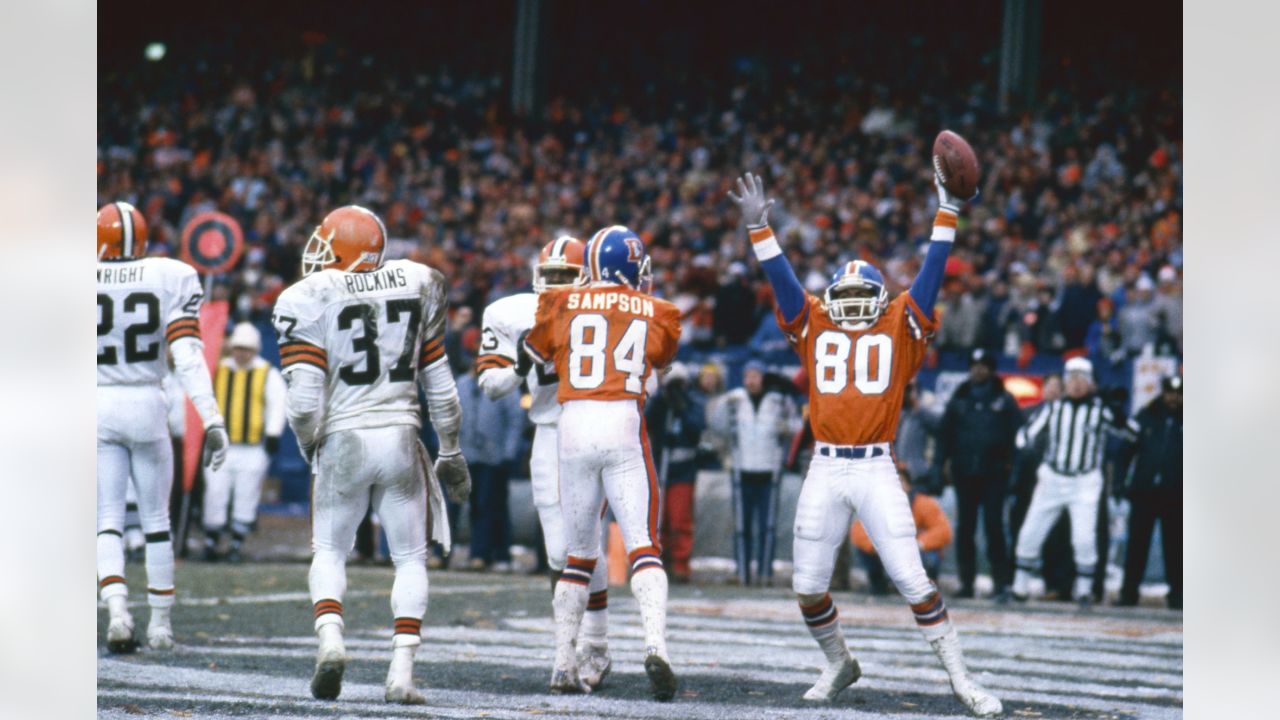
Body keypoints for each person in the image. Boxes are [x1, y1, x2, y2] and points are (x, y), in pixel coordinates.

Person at [731, 172, 1001, 716]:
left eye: (863, 296)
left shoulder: (902, 322)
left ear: (882, 298)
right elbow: (783, 283)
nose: (853, 306)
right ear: (832, 296)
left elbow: (929, 279)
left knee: (910, 577)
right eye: (845, 295)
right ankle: (839, 663)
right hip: (825, 466)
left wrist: (947, 213)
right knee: (806, 585)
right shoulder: (813, 320)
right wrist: (761, 230)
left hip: (876, 465)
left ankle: (961, 679)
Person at [272, 205, 471, 704]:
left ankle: (332, 640)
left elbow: (301, 404)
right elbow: (442, 390)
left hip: (346, 437)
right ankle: (401, 673)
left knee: (330, 551)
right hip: (403, 438)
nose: (316, 250)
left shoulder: (310, 296)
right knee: (409, 558)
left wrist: (309, 443)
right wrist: (450, 450)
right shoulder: (418, 282)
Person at [523, 225, 683, 700]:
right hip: (621, 422)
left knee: (577, 557)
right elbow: (659, 368)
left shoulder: (560, 302)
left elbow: (533, 359)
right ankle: (656, 646)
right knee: (643, 547)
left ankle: (561, 663)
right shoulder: (661, 311)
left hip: (571, 425)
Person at [477, 236, 614, 685]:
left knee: (588, 541)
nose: (555, 284)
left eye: (565, 276)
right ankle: (566, 649)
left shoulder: (608, 308)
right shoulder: (512, 312)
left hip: (594, 426)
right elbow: (490, 385)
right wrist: (521, 363)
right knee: (558, 549)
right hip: (548, 431)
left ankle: (595, 645)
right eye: (550, 275)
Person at [97, 201, 229, 653]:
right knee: (156, 521)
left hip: (96, 402)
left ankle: (117, 611)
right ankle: (159, 626)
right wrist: (210, 415)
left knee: (107, 520)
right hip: (148, 400)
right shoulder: (170, 274)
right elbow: (188, 355)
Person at [1010, 357, 1137, 607]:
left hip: (1085, 480)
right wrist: (1031, 453)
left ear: (1091, 383)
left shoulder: (1101, 410)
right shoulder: (1053, 408)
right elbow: (1025, 435)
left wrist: (1118, 412)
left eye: (1082, 379)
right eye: (1072, 379)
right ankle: (1019, 587)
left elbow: (1132, 434)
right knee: (1030, 533)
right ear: (1066, 382)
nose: (1077, 384)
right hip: (1053, 477)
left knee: (1084, 538)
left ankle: (1084, 590)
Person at [935, 348, 1022, 600]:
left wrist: (1014, 470)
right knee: (966, 529)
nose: (978, 369)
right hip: (964, 472)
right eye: (974, 365)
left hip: (995, 473)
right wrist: (938, 465)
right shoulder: (959, 399)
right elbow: (944, 436)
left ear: (992, 369)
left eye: (983, 365)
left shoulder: (1004, 400)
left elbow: (1018, 438)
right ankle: (966, 582)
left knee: (995, 527)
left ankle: (1000, 583)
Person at [710, 359, 799, 586]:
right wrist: (723, 406)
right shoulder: (735, 400)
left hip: (769, 470)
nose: (751, 380)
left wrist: (786, 428)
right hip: (743, 469)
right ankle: (742, 571)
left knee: (767, 526)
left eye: (755, 376)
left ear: (762, 377)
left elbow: (797, 424)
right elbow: (718, 425)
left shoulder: (778, 400)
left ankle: (765, 572)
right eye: (747, 376)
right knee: (742, 526)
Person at [202, 322, 286, 563]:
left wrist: (273, 433)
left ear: (256, 349)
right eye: (238, 347)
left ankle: (236, 543)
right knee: (215, 493)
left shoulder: (266, 372)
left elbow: (278, 404)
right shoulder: (218, 368)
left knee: (246, 493)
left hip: (252, 446)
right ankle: (212, 539)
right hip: (220, 446)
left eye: (247, 348)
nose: (241, 353)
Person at [1116, 375, 1182, 609]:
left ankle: (1178, 595)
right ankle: (1128, 592)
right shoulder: (1146, 415)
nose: (1174, 398)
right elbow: (1124, 452)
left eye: (1178, 393)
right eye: (1170, 393)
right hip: (1144, 493)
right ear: (1163, 393)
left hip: (1175, 496)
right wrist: (1120, 483)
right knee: (1136, 546)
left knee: (1176, 547)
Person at [457, 360, 524, 572]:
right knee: (477, 505)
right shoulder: (462, 384)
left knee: (492, 505)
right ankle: (486, 553)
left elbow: (515, 418)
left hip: (495, 457)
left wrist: (508, 452)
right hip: (469, 454)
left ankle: (488, 554)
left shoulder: (502, 383)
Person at [645, 362, 707, 584]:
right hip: (661, 466)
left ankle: (681, 565)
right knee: (660, 519)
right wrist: (662, 399)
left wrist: (682, 407)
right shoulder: (660, 403)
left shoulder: (693, 403)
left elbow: (697, 428)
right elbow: (647, 420)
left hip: (683, 470)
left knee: (680, 520)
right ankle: (661, 563)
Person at [852, 467, 952, 594]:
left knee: (931, 557)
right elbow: (858, 531)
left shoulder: (923, 503)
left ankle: (925, 586)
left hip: (916, 553)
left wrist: (918, 544)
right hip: (887, 552)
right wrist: (879, 546)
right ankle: (879, 585)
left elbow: (944, 531)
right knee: (864, 550)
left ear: (909, 486)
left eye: (900, 482)